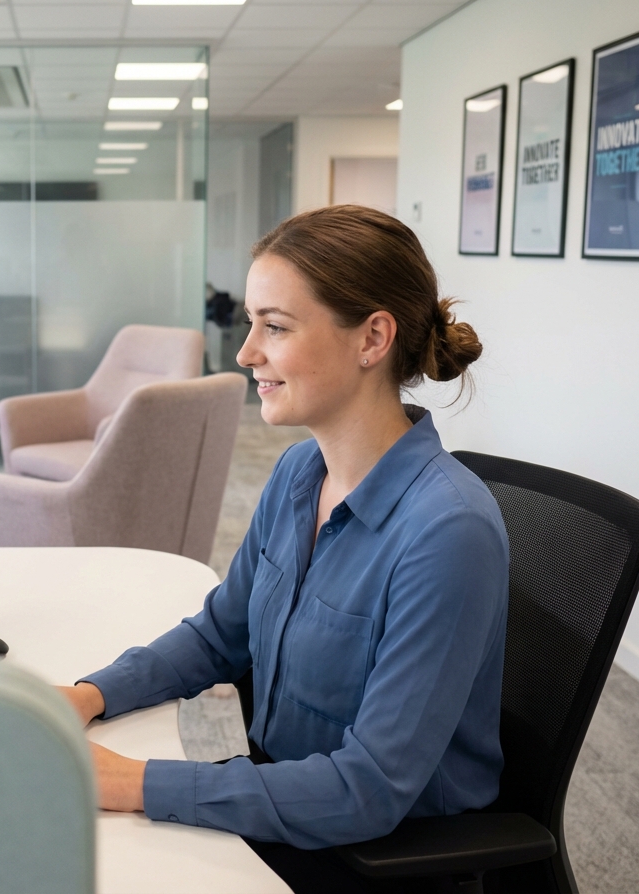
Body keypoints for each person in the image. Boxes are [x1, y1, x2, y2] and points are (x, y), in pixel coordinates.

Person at [59, 204, 510, 893]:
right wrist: (89, 694)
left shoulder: (448, 531)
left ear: (372, 338)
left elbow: (371, 788)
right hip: (280, 790)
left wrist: (137, 782)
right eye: (250, 322)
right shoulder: (301, 473)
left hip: (376, 852)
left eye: (275, 326)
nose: (245, 353)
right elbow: (220, 635)